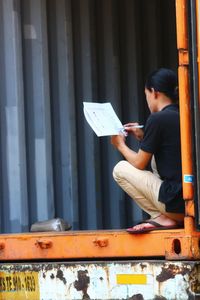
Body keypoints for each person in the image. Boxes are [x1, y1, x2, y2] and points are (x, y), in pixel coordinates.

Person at [111, 68, 184, 233]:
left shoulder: (157, 119)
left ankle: (161, 217)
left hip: (174, 205)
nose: (147, 101)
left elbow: (139, 163)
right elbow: (171, 149)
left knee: (120, 169)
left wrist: (119, 145)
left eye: (146, 96)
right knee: (154, 156)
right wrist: (145, 137)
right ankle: (166, 217)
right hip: (191, 205)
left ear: (154, 92)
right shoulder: (185, 114)